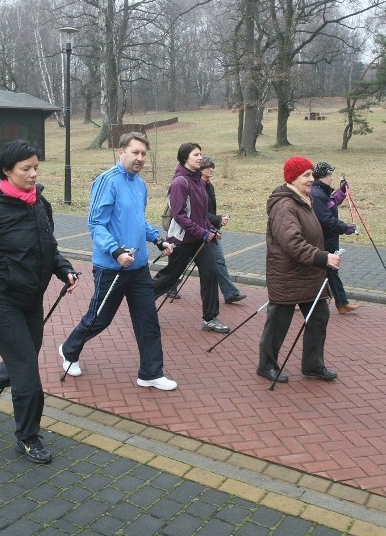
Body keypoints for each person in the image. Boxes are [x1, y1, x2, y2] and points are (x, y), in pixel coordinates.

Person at [0, 140, 79, 464]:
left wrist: (64, 269)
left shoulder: (40, 204)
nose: (33, 173)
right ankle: (28, 437)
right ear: (6, 171)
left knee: (20, 363)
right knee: (27, 371)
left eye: (35, 167)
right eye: (25, 169)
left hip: (32, 299)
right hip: (2, 302)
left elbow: (48, 248)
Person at [58, 132, 177, 391]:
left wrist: (158, 240)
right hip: (112, 267)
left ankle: (151, 373)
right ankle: (69, 350)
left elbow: (139, 220)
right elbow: (96, 224)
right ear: (121, 152)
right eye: (135, 152)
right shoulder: (107, 181)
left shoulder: (140, 184)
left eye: (144, 154)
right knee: (100, 319)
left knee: (148, 321)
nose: (140, 158)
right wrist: (115, 251)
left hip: (138, 267)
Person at [258, 156, 342, 384]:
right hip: (288, 275)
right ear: (292, 179)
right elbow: (292, 243)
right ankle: (266, 365)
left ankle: (313, 365)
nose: (311, 179)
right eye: (306, 175)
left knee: (318, 318)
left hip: (309, 274)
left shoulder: (303, 199)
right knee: (278, 323)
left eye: (312, 174)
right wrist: (322, 257)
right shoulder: (285, 206)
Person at [152, 143, 230, 334]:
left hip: (198, 239)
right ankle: (141, 299)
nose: (200, 157)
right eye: (196, 154)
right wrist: (202, 231)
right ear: (185, 157)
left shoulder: (197, 181)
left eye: (201, 154)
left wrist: (211, 228)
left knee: (210, 273)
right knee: (170, 277)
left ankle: (210, 319)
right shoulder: (180, 182)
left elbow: (200, 213)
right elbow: (179, 215)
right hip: (182, 240)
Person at [310, 162, 359, 314]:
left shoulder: (321, 192)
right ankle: (341, 303)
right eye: (330, 175)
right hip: (323, 239)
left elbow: (332, 202)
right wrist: (345, 228)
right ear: (323, 177)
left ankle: (341, 303)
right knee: (330, 270)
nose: (332, 178)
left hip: (330, 238)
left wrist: (342, 191)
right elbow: (325, 218)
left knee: (327, 271)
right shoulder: (316, 194)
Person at [200, 156, 246, 304]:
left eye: (212, 167)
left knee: (218, 260)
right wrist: (217, 219)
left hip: (210, 229)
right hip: (198, 231)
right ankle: (170, 287)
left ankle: (230, 293)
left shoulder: (209, 186)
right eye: (208, 167)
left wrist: (217, 222)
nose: (211, 169)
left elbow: (209, 210)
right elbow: (198, 212)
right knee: (180, 263)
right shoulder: (197, 186)